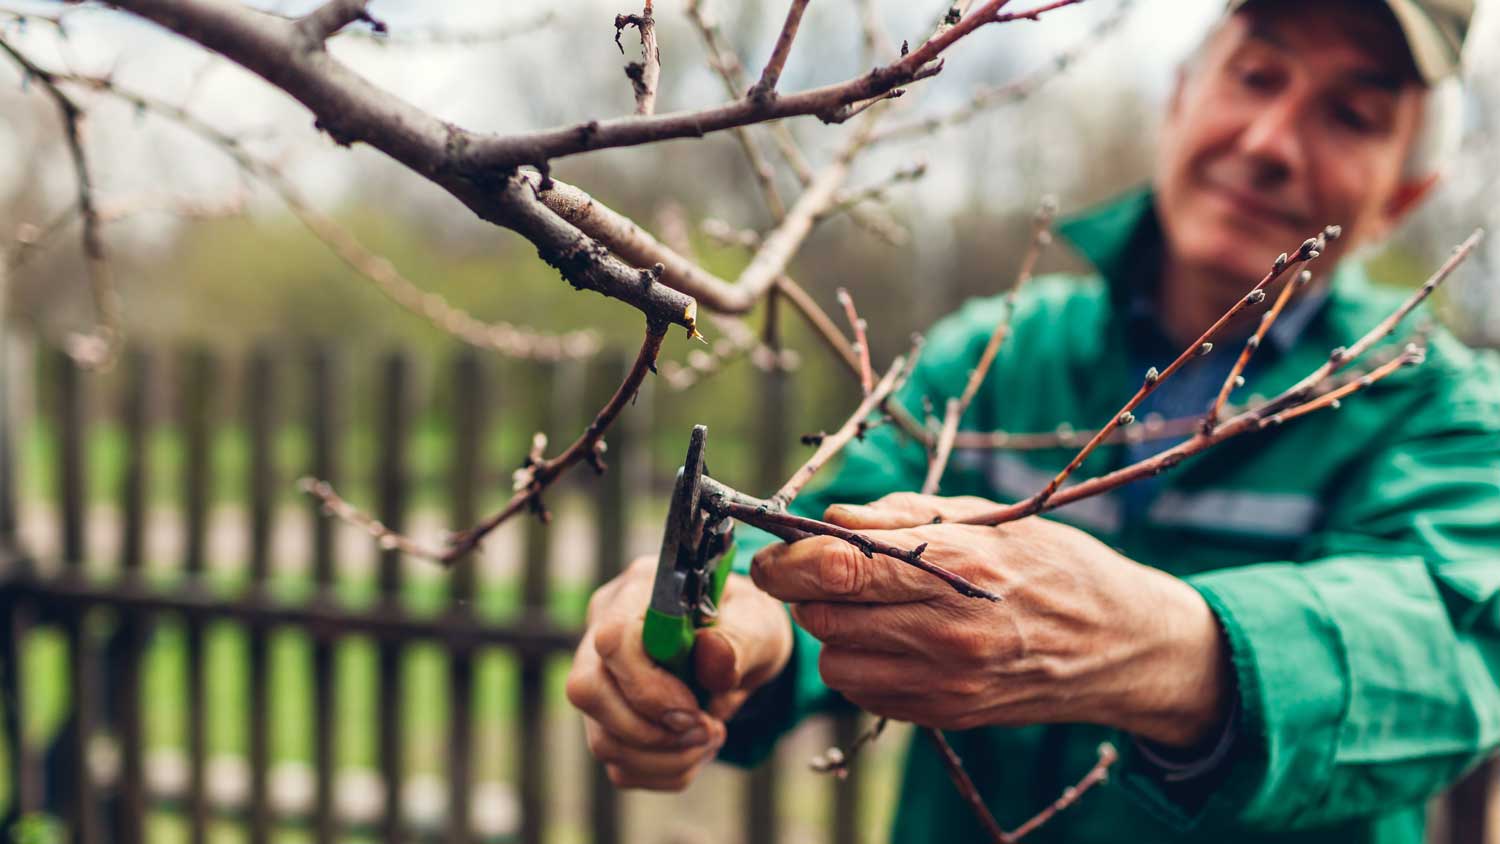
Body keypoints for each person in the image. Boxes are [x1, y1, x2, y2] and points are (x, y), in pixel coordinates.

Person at [566, 0, 1500, 840]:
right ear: (1181, 96)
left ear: (1405, 197)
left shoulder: (1436, 410)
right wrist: (748, 629)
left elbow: (1454, 652)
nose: (1269, 140)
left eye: (1351, 116)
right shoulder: (996, 360)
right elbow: (835, 535)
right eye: (1256, 75)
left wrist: (1164, 644)